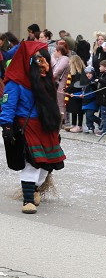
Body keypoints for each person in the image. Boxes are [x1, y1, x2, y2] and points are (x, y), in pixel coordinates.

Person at [1, 41, 66, 214]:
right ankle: (27, 200)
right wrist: (6, 126)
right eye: (39, 62)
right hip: (27, 126)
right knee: (32, 163)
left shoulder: (46, 81)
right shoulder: (15, 84)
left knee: (48, 164)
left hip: (47, 127)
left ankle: (35, 188)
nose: (44, 67)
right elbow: (8, 106)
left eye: (45, 61)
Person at [63, 54, 90, 133]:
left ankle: (79, 126)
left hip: (77, 93)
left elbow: (75, 84)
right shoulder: (76, 72)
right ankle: (73, 124)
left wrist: (67, 89)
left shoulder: (79, 73)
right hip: (73, 93)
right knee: (73, 110)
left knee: (79, 110)